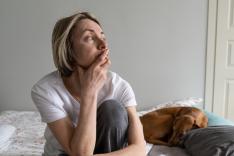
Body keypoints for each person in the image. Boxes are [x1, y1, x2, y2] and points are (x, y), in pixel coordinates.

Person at [31, 11, 146, 156]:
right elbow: (80, 153)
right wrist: (89, 92)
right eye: (90, 38)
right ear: (68, 49)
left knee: (112, 109)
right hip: (65, 153)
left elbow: (140, 149)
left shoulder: (119, 86)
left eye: (103, 37)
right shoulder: (45, 90)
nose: (103, 45)